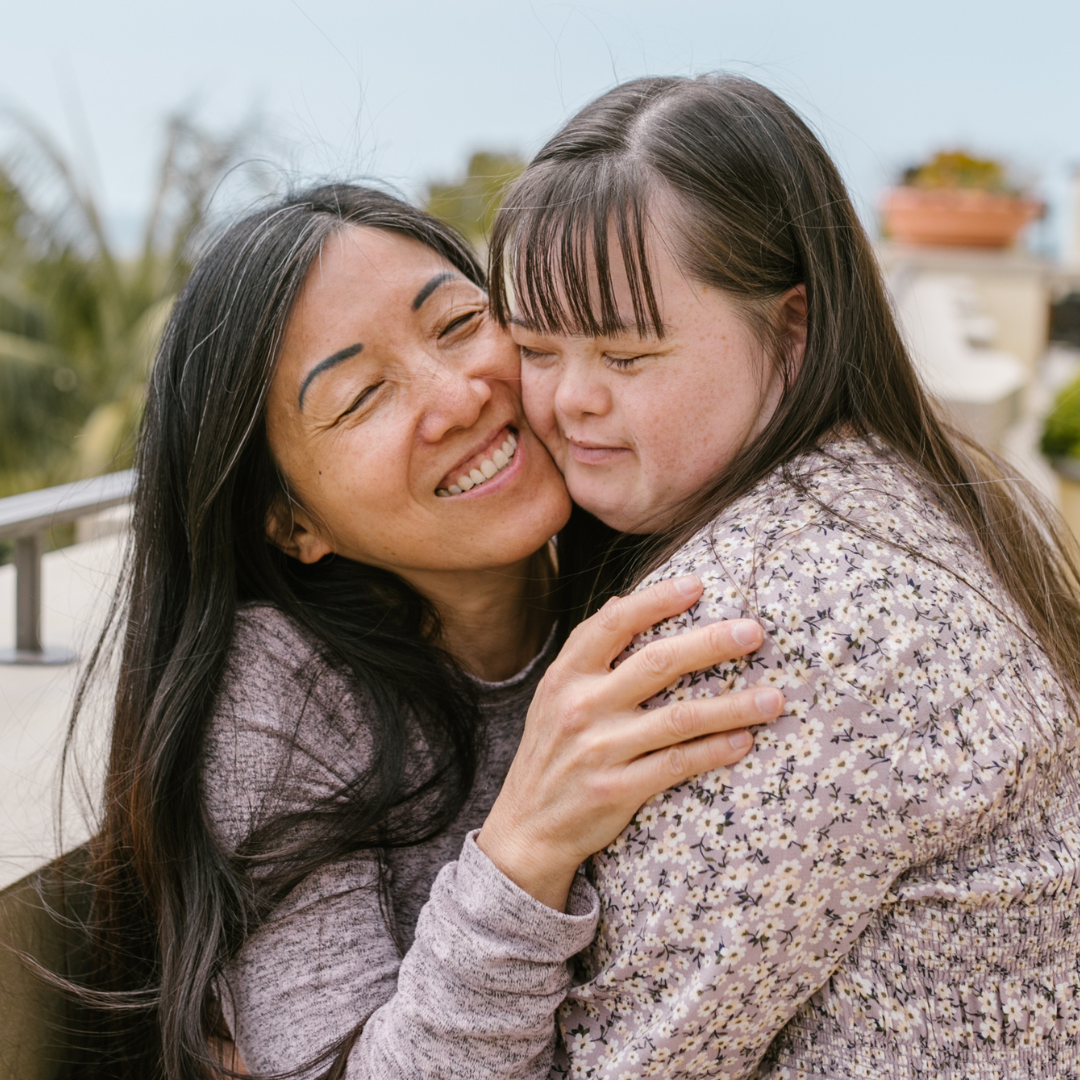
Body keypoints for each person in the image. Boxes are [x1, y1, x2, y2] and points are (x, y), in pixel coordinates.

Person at [64, 183, 786, 1079]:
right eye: (363, 395)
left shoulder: (679, 562)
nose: (460, 396)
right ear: (292, 525)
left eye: (457, 324)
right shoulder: (282, 697)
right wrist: (526, 846)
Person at [489, 74, 1080, 1078]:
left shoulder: (774, 627)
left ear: (793, 329)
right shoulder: (911, 485)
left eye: (627, 355)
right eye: (535, 348)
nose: (569, 400)